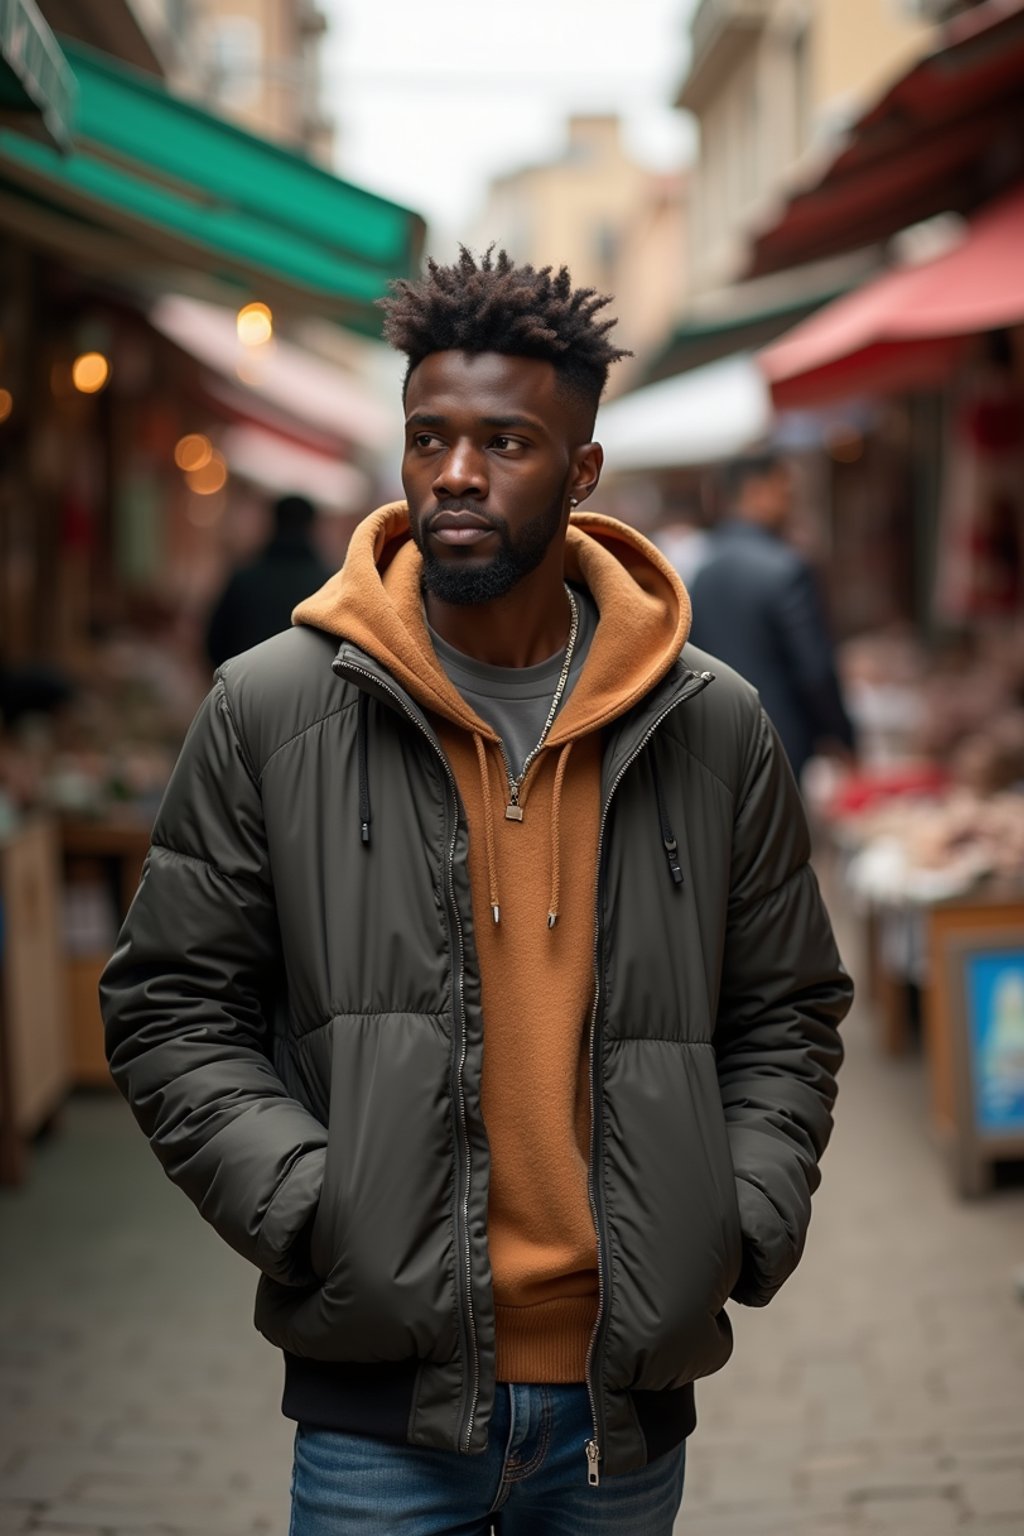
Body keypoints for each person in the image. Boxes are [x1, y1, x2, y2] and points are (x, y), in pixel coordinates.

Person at [101, 250, 852, 1535]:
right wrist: (311, 1206)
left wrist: (734, 1217)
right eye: (428, 437)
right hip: (378, 1411)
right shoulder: (271, 709)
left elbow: (786, 1011)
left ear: (581, 472)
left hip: (622, 1405)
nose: (455, 471)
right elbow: (172, 1006)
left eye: (505, 440)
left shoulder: (711, 723)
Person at [688, 454, 856, 784]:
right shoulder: (786, 569)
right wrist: (843, 736)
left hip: (715, 737)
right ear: (756, 491)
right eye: (785, 492)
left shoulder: (702, 572)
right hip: (780, 738)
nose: (790, 504)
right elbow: (815, 668)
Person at [205, 491, 332, 669]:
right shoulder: (328, 585)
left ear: (273, 523)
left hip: (246, 685)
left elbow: (215, 643)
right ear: (311, 527)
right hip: (309, 690)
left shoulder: (244, 579)